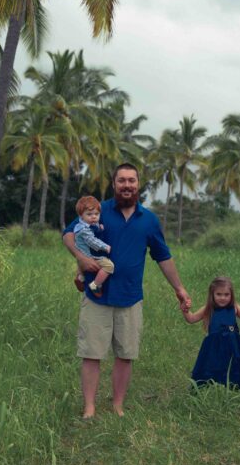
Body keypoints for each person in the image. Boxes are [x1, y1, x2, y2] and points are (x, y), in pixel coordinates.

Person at [63, 163, 191, 419]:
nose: (127, 185)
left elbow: (163, 257)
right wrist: (82, 260)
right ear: (114, 184)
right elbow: (68, 234)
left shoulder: (149, 220)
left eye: (131, 180)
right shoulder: (98, 211)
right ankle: (89, 407)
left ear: (138, 184)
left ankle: (117, 404)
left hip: (130, 298)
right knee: (91, 353)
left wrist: (179, 288)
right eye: (121, 180)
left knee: (125, 354)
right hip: (97, 296)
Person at [184, 276, 240, 388]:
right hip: (214, 345)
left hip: (233, 344)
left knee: (235, 365)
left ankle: (236, 385)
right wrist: (185, 310)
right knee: (214, 366)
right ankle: (214, 386)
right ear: (212, 295)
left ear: (231, 295)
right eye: (219, 294)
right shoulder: (208, 309)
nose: (223, 298)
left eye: (226, 295)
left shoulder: (234, 307)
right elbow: (191, 319)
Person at [73, 195, 114, 297]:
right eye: (89, 214)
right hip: (88, 256)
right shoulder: (84, 230)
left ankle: (80, 277)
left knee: (81, 264)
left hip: (82, 254)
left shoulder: (85, 224)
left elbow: (94, 229)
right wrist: (105, 247)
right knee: (109, 266)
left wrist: (99, 227)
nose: (94, 217)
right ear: (81, 215)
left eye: (96, 214)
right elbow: (92, 241)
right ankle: (95, 284)